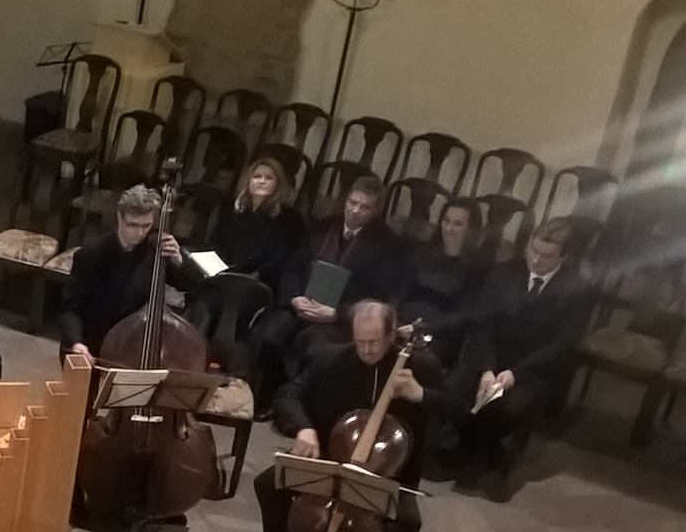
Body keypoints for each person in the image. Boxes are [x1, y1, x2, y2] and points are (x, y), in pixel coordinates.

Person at [248, 301, 443, 532]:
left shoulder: (421, 367)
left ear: (392, 334)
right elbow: (289, 393)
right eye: (360, 341)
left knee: (406, 521)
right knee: (268, 484)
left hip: (389, 470)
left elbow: (458, 413)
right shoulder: (331, 359)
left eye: (374, 342)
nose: (366, 349)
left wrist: (421, 396)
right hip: (332, 456)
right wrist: (304, 428)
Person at [440, 218, 590, 503]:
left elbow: (562, 345)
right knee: (457, 388)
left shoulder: (576, 289)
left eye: (547, 256)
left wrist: (515, 373)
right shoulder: (503, 273)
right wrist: (486, 368)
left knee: (507, 407)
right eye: (533, 250)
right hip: (491, 356)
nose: (536, 260)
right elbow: (482, 324)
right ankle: (469, 447)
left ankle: (481, 456)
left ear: (564, 257)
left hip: (532, 365)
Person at [248, 176, 407, 405]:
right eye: (352, 203)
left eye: (364, 207)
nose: (355, 210)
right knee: (270, 335)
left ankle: (299, 404)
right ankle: (265, 399)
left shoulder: (389, 245)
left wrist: (338, 313)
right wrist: (294, 297)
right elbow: (291, 268)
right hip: (300, 305)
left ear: (376, 211)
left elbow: (378, 295)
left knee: (317, 350)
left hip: (339, 318)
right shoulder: (321, 227)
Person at [59, 184, 199, 359]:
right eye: (133, 225)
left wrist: (178, 261)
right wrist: (76, 343)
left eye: (146, 225)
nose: (140, 232)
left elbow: (191, 286)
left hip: (136, 345)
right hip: (94, 342)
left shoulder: (155, 248)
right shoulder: (91, 254)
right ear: (120, 217)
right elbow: (70, 308)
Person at [188, 157, 309, 360]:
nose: (261, 181)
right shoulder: (230, 210)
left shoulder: (291, 220)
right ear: (248, 180)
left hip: (263, 286)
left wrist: (291, 296)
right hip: (223, 278)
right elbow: (215, 246)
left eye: (269, 178)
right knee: (204, 305)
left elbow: (292, 264)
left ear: (278, 184)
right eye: (257, 176)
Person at [399, 198, 489, 366]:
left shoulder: (478, 267)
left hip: (439, 333)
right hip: (404, 321)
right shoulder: (422, 251)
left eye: (457, 224)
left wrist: (421, 328)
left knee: (417, 360)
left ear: (470, 229)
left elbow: (463, 314)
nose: (448, 228)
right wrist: (390, 315)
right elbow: (402, 289)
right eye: (446, 221)